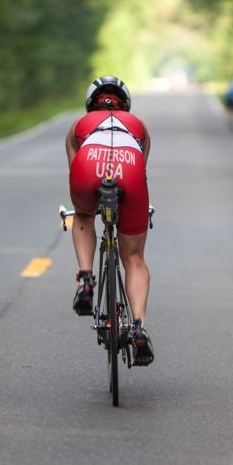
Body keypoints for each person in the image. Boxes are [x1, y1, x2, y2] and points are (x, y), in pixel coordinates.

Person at [65, 75, 154, 366]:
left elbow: (73, 168)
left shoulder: (78, 126)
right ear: (125, 105)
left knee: (83, 214)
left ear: (90, 104)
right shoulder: (139, 126)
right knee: (135, 258)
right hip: (130, 168)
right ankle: (138, 326)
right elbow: (142, 168)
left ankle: (86, 278)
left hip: (88, 164)